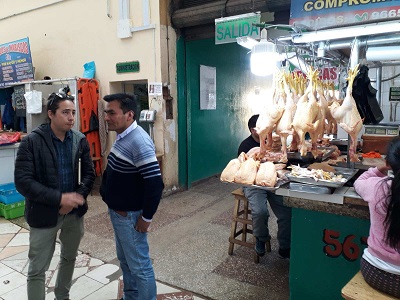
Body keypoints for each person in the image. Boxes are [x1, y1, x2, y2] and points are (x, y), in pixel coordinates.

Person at [14, 92, 95, 300]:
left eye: (73, 112)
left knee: (69, 257)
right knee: (37, 269)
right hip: (43, 214)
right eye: (65, 112)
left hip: (73, 214)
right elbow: (24, 182)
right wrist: (60, 199)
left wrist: (76, 197)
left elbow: (89, 174)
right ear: (51, 114)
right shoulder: (31, 142)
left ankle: (62, 295)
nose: (71, 118)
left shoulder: (79, 140)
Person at [100, 93, 164, 300]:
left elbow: (155, 183)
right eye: (106, 112)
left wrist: (146, 218)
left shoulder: (139, 141)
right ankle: (131, 296)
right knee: (126, 261)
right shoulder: (123, 136)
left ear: (129, 115)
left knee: (140, 267)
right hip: (119, 214)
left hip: (130, 217)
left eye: (112, 112)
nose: (107, 117)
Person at [238, 114, 292, 258]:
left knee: (286, 213)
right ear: (253, 130)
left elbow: (283, 161)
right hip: (253, 184)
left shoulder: (273, 142)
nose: (266, 130)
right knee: (260, 212)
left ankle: (285, 245)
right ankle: (261, 239)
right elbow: (242, 168)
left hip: (273, 181)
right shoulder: (246, 145)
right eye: (261, 127)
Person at [353, 137, 400, 298]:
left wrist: (381, 168)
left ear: (390, 161)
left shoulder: (378, 187)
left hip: (374, 272)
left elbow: (360, 182)